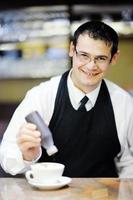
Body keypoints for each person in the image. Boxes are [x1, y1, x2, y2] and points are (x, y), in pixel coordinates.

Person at [0, 21, 133, 178]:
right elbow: (6, 159)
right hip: (50, 194)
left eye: (101, 58)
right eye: (84, 55)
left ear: (114, 58)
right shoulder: (41, 96)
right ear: (72, 49)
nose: (91, 66)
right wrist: (27, 155)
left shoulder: (124, 103)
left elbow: (128, 162)